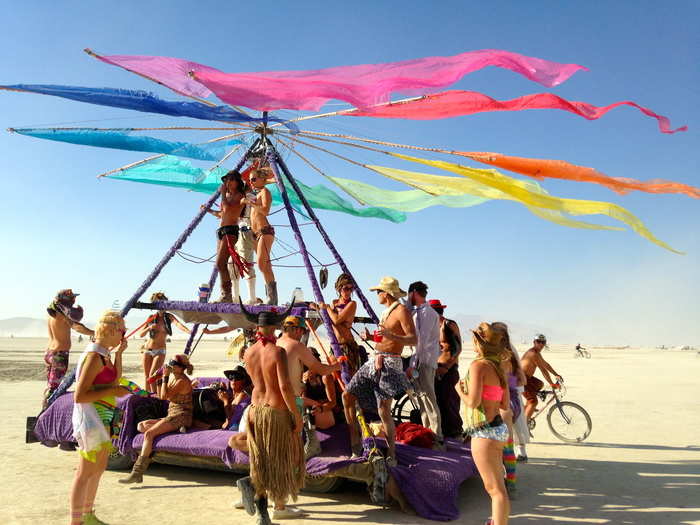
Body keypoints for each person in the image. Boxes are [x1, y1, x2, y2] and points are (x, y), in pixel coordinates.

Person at [234, 302, 305, 525]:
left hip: (255, 410)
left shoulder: (248, 352)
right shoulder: (278, 351)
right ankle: (253, 486)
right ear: (275, 327)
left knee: (261, 460)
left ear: (257, 327)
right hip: (275, 412)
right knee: (279, 461)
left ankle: (262, 514)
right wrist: (297, 415)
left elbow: (255, 381)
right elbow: (284, 387)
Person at [343, 276, 416, 463]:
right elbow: (385, 340)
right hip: (375, 359)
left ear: (387, 294)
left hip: (390, 363)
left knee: (384, 410)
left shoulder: (402, 312)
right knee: (347, 395)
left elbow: (413, 339)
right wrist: (372, 337)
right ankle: (355, 444)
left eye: (378, 292)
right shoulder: (386, 312)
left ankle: (392, 454)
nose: (377, 295)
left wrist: (391, 335)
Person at [70, 310, 130, 525]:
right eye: (122, 332)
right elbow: (80, 395)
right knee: (85, 472)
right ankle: (75, 521)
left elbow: (114, 381)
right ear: (112, 330)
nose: (123, 336)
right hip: (91, 418)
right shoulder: (94, 357)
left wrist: (120, 355)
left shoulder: (104, 354)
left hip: (104, 417)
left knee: (99, 468)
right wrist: (114, 393)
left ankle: (88, 514)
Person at [457, 322, 511, 525]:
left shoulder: (478, 365)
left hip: (483, 432)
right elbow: (504, 404)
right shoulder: (498, 366)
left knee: (494, 490)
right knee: (499, 488)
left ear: (480, 344)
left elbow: (473, 402)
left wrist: (458, 390)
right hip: (498, 429)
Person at [120, 354, 194, 484]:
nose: (170, 365)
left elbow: (165, 396)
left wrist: (165, 376)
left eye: (173, 363)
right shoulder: (174, 379)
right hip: (172, 414)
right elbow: (160, 396)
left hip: (181, 415)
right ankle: (173, 430)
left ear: (180, 368)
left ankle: (137, 472)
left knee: (149, 434)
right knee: (141, 426)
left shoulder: (182, 381)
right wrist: (159, 379)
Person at [405, 281, 443, 447]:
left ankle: (437, 435)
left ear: (413, 292)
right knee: (422, 399)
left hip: (424, 361)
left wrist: (413, 363)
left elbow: (422, 340)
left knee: (428, 398)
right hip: (421, 360)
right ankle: (427, 433)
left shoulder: (426, 313)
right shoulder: (418, 312)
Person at [45, 289, 95, 408]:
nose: (74, 301)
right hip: (59, 355)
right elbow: (77, 327)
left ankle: (44, 410)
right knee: (53, 390)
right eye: (72, 298)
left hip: (50, 352)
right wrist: (94, 332)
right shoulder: (62, 315)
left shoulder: (53, 314)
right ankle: (44, 414)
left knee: (50, 386)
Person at [203, 169, 247, 303]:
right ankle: (225, 293)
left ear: (237, 182)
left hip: (230, 230)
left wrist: (222, 193)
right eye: (226, 180)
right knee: (220, 264)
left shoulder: (239, 195)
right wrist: (209, 210)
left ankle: (226, 294)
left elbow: (229, 209)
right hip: (221, 230)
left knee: (220, 263)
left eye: (231, 179)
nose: (228, 182)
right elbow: (223, 213)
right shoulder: (227, 196)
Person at [492, 322, 525, 498]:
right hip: (509, 400)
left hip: (506, 402)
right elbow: (521, 380)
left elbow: (503, 384)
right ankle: (508, 481)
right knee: (505, 444)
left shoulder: (502, 357)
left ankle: (509, 484)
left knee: (504, 444)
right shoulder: (509, 354)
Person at [311, 273, 365, 378]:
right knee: (328, 378)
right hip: (335, 346)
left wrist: (327, 307)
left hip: (347, 346)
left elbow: (337, 320)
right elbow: (327, 318)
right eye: (346, 288)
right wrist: (317, 308)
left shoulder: (352, 304)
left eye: (351, 289)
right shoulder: (334, 303)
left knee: (349, 379)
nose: (349, 292)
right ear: (339, 288)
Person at [139, 292, 191, 393]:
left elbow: (178, 324)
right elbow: (141, 334)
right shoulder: (151, 317)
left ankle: (154, 397)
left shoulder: (169, 317)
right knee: (146, 376)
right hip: (147, 349)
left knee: (152, 375)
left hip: (160, 350)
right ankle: (147, 396)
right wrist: (149, 328)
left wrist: (189, 331)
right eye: (158, 303)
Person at [429, 299, 464, 438]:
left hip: (448, 369)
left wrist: (447, 367)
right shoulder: (432, 326)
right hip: (435, 367)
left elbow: (457, 348)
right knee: (439, 401)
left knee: (450, 402)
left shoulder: (448, 324)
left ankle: (455, 433)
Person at [247, 166, 278, 304]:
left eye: (254, 179)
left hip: (264, 231)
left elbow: (265, 211)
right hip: (255, 234)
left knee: (261, 265)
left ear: (262, 180)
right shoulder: (256, 194)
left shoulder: (265, 191)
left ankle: (272, 298)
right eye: (250, 180)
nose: (251, 182)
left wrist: (251, 204)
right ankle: (271, 298)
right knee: (266, 267)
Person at [520, 334, 563, 421]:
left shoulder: (537, 353)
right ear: (534, 342)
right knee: (533, 401)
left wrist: (556, 374)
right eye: (538, 342)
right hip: (520, 378)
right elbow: (543, 370)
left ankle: (528, 407)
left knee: (539, 384)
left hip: (526, 378)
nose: (541, 344)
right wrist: (551, 383)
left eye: (543, 342)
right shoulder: (533, 354)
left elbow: (545, 364)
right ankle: (524, 426)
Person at [302, 347, 341, 430]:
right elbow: (302, 399)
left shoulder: (325, 377)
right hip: (314, 408)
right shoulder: (303, 376)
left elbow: (333, 403)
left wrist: (320, 408)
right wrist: (303, 384)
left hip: (326, 410)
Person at [218, 366, 253, 430]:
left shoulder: (243, 395)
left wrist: (225, 401)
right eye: (231, 377)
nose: (233, 380)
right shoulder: (232, 394)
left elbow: (230, 421)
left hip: (234, 427)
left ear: (243, 381)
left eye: (237, 377)